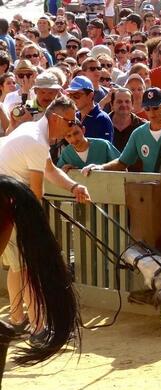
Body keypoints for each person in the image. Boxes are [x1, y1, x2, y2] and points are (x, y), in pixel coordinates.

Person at [0, 95, 90, 339]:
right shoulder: (36, 140)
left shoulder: (32, 131)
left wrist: (73, 187)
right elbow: (36, 194)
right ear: (54, 118)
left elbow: (50, 169)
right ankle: (39, 328)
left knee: (18, 267)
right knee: (29, 266)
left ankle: (17, 319)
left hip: (7, 203)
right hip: (8, 205)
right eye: (70, 122)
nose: (73, 127)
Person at [82, 88, 161, 174]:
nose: (152, 113)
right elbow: (122, 162)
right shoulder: (138, 134)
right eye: (147, 109)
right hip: (151, 191)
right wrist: (100, 167)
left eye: (155, 108)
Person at [66, 75, 114, 143]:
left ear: (90, 95)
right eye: (69, 95)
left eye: (77, 95)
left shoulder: (102, 119)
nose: (72, 99)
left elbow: (105, 150)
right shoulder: (74, 117)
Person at [109, 87, 147, 152]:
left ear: (132, 105)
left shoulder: (143, 126)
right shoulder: (102, 123)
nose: (124, 104)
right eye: (119, 102)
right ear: (112, 105)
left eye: (127, 101)